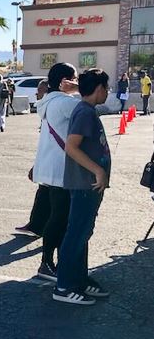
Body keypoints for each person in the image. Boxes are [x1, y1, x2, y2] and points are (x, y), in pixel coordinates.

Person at [54, 68, 111, 305]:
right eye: (106, 88)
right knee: (76, 234)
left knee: (82, 233)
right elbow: (71, 146)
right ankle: (64, 286)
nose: (108, 92)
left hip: (90, 186)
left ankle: (79, 279)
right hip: (84, 184)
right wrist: (97, 170)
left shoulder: (86, 108)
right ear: (99, 89)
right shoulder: (85, 113)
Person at [31, 63, 80, 282]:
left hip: (51, 167)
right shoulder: (65, 102)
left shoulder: (49, 101)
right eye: (74, 78)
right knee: (60, 218)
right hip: (61, 169)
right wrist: (77, 89)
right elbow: (92, 105)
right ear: (64, 81)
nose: (77, 82)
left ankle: (50, 262)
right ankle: (47, 263)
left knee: (57, 216)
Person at [16, 79, 50, 237]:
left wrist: (37, 166)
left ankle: (39, 227)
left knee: (47, 195)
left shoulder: (51, 113)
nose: (37, 93)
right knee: (43, 193)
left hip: (53, 164)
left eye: (40, 90)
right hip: (48, 163)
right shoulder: (46, 112)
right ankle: (36, 225)